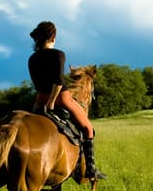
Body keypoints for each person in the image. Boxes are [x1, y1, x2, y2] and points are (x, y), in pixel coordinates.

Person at [28, 21, 106, 180]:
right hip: (60, 99)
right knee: (88, 128)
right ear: (53, 37)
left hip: (38, 102)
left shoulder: (32, 58)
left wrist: (45, 101)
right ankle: (90, 170)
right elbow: (57, 81)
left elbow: (37, 83)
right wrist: (52, 101)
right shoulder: (58, 54)